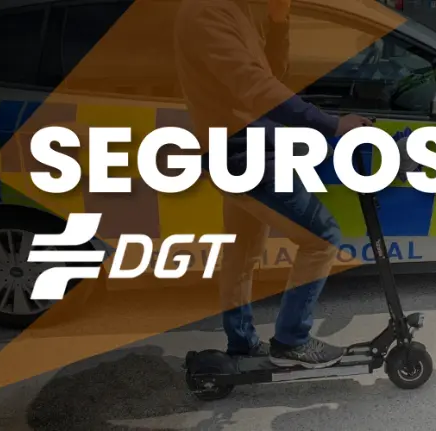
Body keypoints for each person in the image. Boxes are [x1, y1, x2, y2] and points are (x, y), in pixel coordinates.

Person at [173, 0, 372, 369]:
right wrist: (331, 125)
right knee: (321, 237)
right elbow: (255, 87)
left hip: (247, 149)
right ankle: (292, 340)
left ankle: (242, 343)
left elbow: (273, 74)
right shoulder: (206, 12)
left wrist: (279, 23)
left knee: (243, 255)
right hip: (241, 155)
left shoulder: (241, 9)